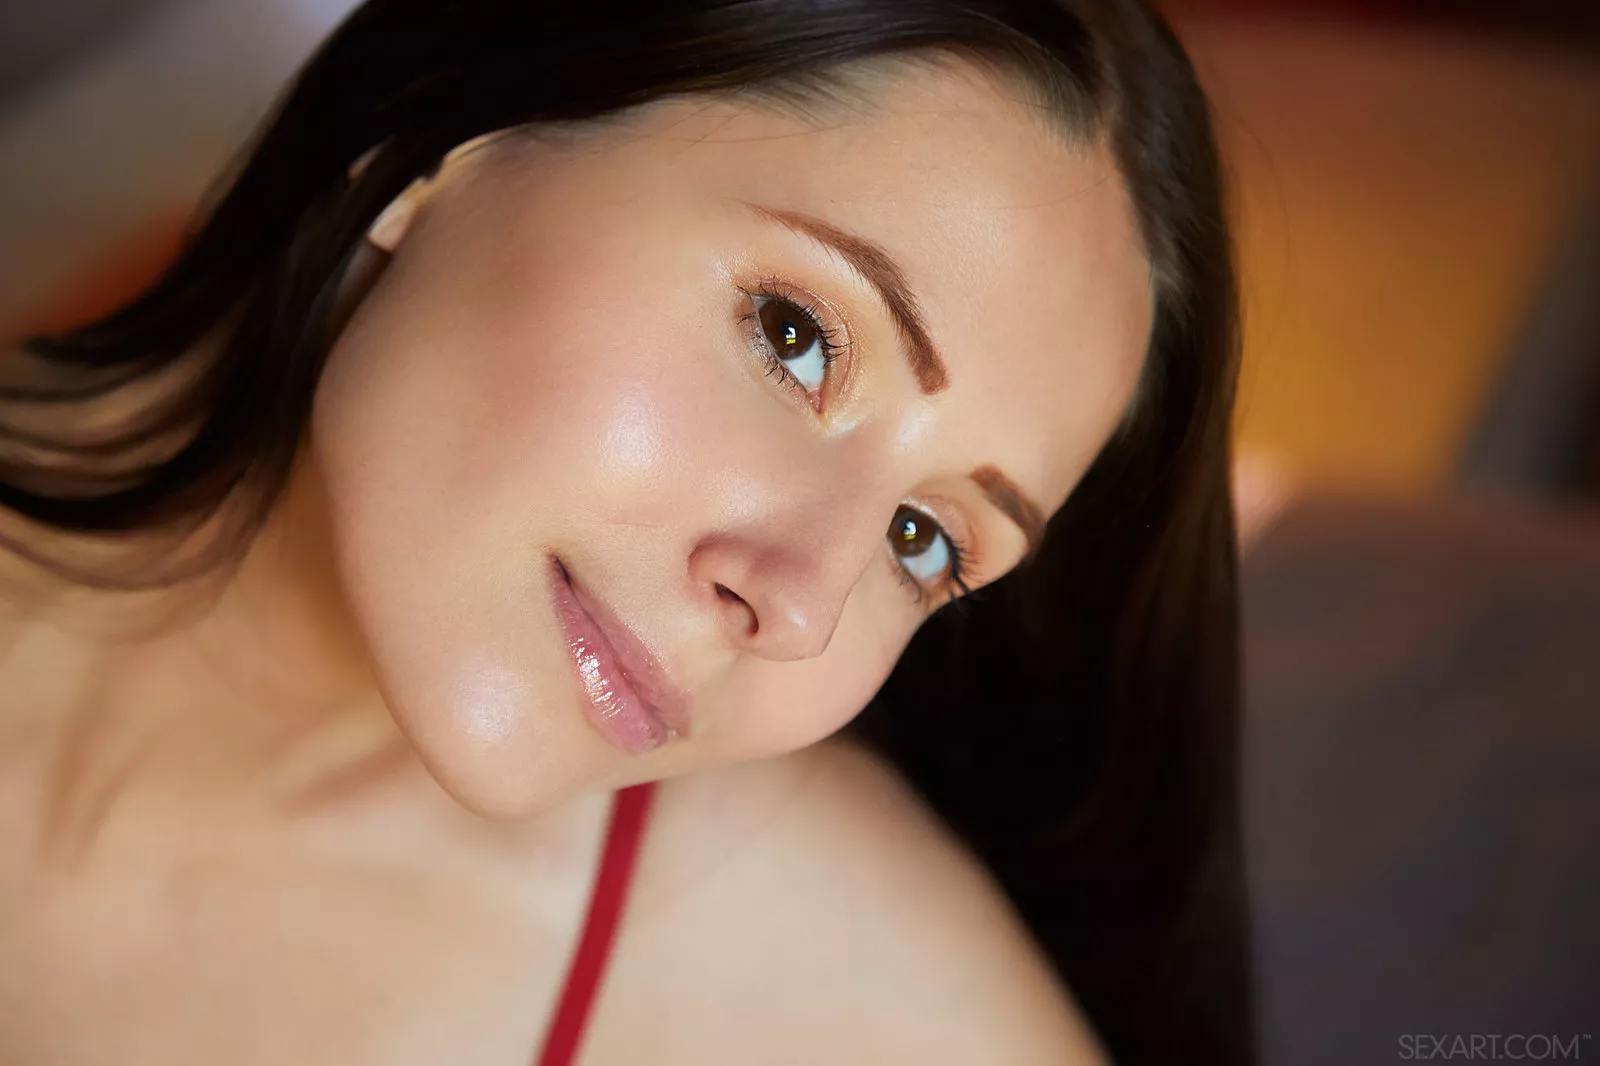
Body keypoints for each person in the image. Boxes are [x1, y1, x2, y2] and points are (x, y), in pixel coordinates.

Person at [0, 1, 1250, 1063]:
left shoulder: (811, 958)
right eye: (795, 338)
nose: (797, 606)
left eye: (922, 539)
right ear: (451, 135)